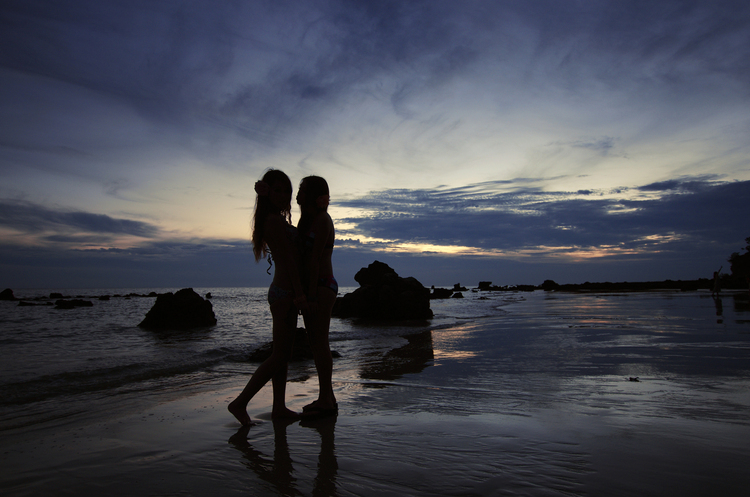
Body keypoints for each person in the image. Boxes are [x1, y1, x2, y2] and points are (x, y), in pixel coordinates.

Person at [228, 169, 308, 426]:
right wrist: (300, 296)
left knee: (282, 355)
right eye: (278, 189)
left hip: (284, 292)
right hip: (285, 294)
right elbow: (288, 261)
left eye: (287, 190)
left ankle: (279, 407)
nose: (284, 194)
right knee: (279, 356)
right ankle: (240, 403)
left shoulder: (276, 219)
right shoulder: (272, 221)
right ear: (267, 192)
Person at [296, 175, 338, 418]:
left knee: (320, 344)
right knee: (317, 343)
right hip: (318, 287)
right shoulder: (311, 220)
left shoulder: (322, 220)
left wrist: (310, 296)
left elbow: (313, 261)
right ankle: (328, 397)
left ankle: (325, 398)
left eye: (301, 189)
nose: (297, 193)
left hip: (321, 287)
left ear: (312, 195)